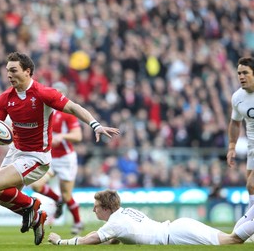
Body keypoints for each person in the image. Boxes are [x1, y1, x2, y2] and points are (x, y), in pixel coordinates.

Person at [0, 52, 120, 245]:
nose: (9, 75)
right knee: (3, 198)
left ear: (28, 71)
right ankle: (37, 217)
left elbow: (75, 108)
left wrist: (96, 125)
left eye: (13, 70)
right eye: (7, 71)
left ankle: (32, 205)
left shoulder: (43, 93)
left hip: (36, 157)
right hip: (15, 151)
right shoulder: (5, 98)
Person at [48, 189, 254, 245]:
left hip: (176, 235)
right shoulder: (124, 213)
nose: (94, 211)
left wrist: (61, 242)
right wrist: (114, 240)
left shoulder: (116, 222)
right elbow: (121, 234)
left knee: (232, 240)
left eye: (96, 207)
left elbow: (90, 239)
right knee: (232, 237)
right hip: (178, 227)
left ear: (107, 208)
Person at [29, 81, 84, 235]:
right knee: (36, 185)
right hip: (51, 157)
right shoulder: (44, 111)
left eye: (58, 92)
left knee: (68, 195)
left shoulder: (67, 113)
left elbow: (78, 136)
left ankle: (78, 222)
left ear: (63, 94)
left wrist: (63, 136)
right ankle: (57, 199)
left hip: (66, 158)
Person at [227, 57, 254, 211]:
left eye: (245, 73)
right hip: (252, 146)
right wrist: (232, 147)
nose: (241, 77)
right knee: (251, 189)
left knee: (251, 183)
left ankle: (250, 228)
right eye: (239, 73)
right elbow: (235, 123)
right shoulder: (238, 98)